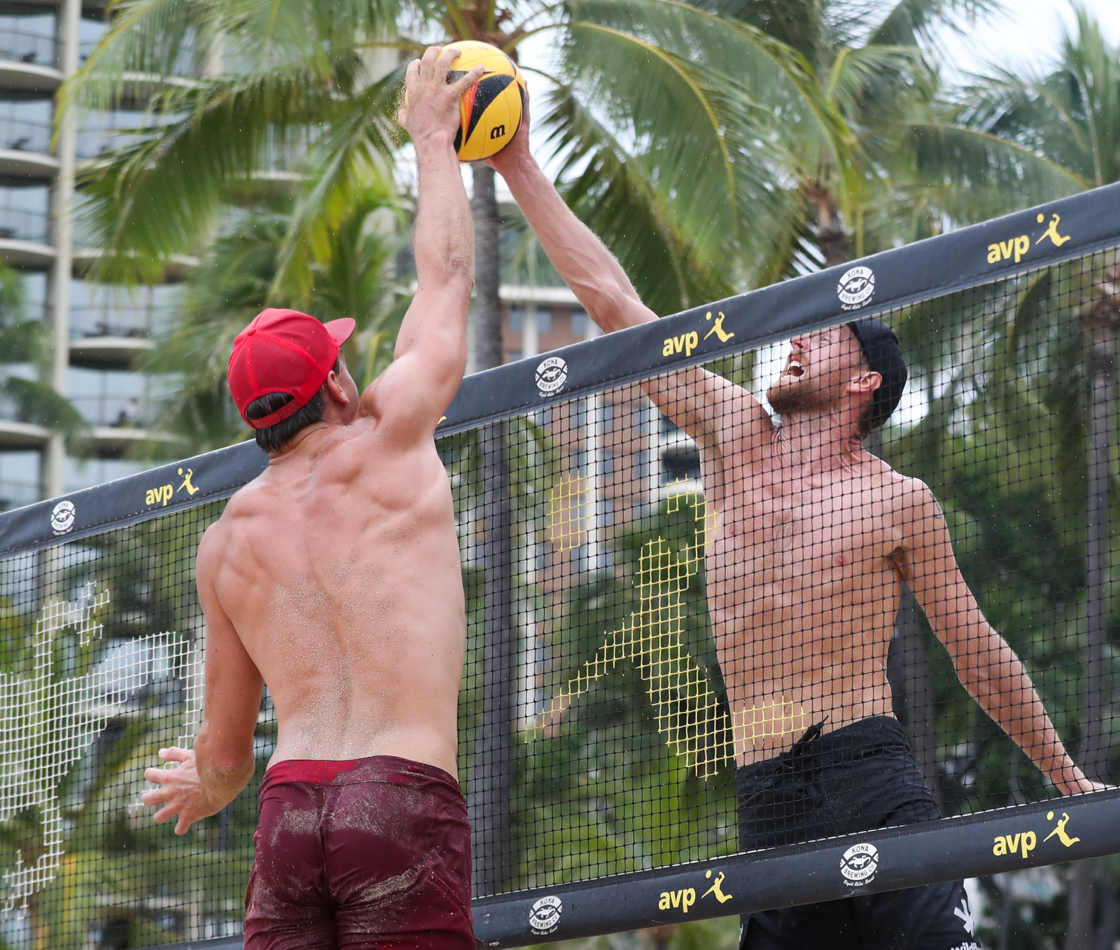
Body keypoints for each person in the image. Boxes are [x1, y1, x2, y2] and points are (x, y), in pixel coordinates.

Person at [488, 97, 1101, 950]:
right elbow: (615, 306)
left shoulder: (898, 500)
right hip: (767, 801)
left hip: (871, 777)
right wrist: (516, 162)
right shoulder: (733, 433)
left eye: (825, 335)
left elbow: (978, 653)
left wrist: (1066, 778)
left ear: (865, 386)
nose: (795, 343)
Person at [140, 46, 484, 950]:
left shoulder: (226, 542)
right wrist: (429, 140)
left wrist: (204, 791)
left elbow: (222, 760)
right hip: (399, 800)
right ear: (336, 384)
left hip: (290, 819)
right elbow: (447, 283)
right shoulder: (390, 436)